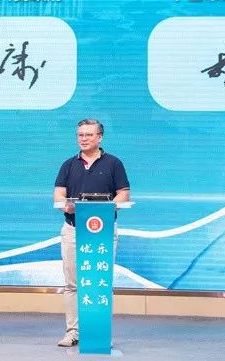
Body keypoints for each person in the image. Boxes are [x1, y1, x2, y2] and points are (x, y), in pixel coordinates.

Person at [53, 119, 129, 347]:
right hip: (73, 230)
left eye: (88, 135)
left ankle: (99, 333)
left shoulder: (114, 163)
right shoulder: (69, 165)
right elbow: (58, 194)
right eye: (80, 135)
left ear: (100, 137)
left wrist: (106, 207)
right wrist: (66, 205)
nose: (83, 139)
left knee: (100, 282)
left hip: (102, 232)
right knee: (72, 284)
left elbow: (123, 194)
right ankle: (73, 332)